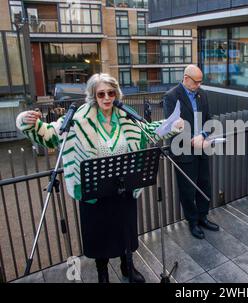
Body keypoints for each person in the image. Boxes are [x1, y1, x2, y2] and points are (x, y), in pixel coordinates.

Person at [15, 73, 184, 283]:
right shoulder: (78, 119)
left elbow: (147, 130)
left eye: (111, 93)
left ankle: (127, 267)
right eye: (101, 93)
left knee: (126, 231)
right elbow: (50, 135)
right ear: (94, 96)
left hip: (123, 188)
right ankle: (102, 273)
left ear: (116, 94)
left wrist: (172, 125)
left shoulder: (125, 114)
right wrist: (27, 122)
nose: (106, 97)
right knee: (99, 236)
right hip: (94, 193)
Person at [163, 65, 219, 240]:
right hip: (183, 150)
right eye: (196, 82)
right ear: (186, 78)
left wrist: (202, 135)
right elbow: (172, 126)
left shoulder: (202, 94)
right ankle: (193, 222)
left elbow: (209, 118)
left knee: (204, 184)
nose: (199, 85)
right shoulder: (171, 96)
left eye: (201, 82)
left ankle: (203, 217)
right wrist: (190, 140)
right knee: (187, 189)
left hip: (201, 147)